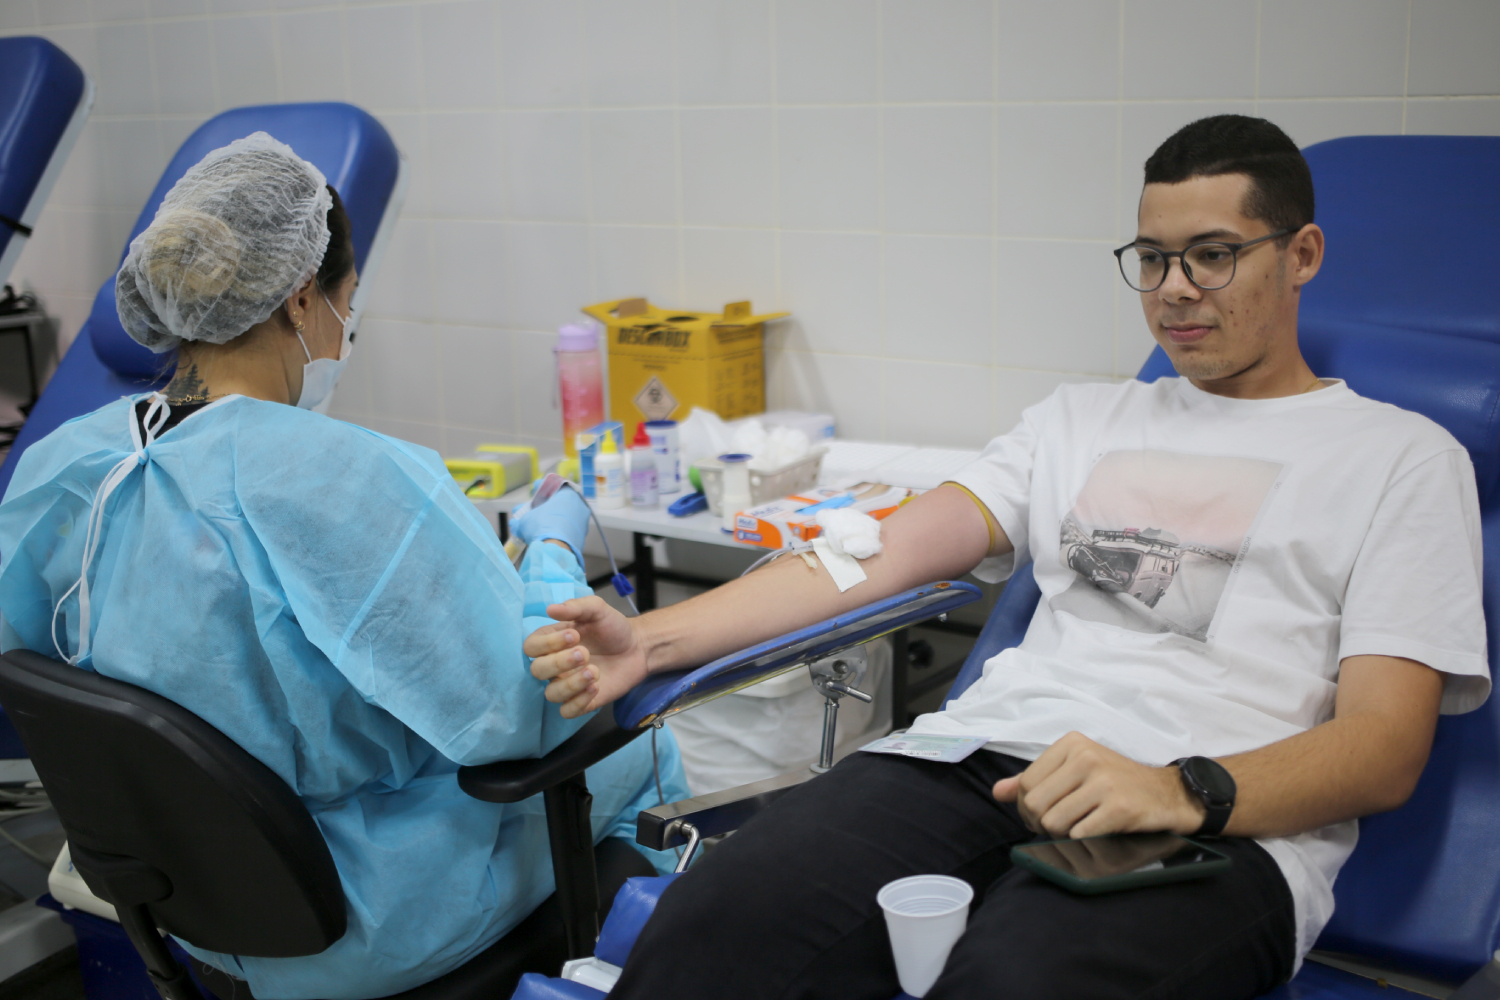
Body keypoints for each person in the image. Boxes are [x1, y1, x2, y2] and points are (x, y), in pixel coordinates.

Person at [524, 115, 1491, 999]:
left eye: (1214, 256)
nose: (1176, 291)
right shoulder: (1079, 419)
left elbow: (1384, 747)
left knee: (1016, 981)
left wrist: (1183, 787)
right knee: (716, 926)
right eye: (1152, 259)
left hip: (1207, 824)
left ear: (1302, 254)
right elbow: (874, 553)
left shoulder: (1399, 458)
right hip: (967, 762)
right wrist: (646, 642)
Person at [0, 133, 688, 1000]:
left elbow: (31, 647)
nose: (347, 326)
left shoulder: (67, 463)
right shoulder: (350, 477)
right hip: (352, 920)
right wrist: (550, 553)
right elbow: (525, 711)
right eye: (347, 300)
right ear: (299, 302)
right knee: (643, 747)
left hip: (190, 901)